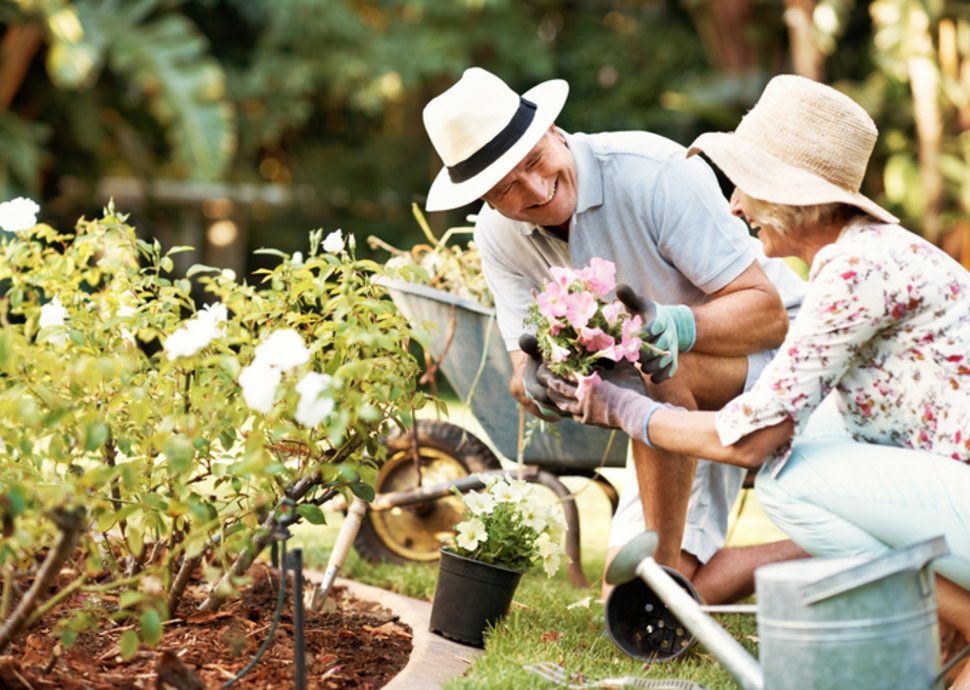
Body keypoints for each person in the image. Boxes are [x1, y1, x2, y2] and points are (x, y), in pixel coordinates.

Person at [542, 74, 970, 688]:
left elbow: (751, 439)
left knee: (785, 479)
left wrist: (620, 409)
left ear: (786, 193)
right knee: (814, 439)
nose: (735, 205)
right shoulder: (867, 255)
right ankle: (945, 631)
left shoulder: (854, 270)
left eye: (744, 185)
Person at [420, 66, 808, 603]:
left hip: (782, 364)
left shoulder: (654, 173)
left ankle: (661, 582)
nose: (533, 189)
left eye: (534, 161)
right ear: (485, 200)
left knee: (655, 364)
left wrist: (675, 324)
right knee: (616, 599)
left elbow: (770, 315)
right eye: (506, 188)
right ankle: (830, 554)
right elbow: (519, 369)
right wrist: (536, 382)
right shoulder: (499, 237)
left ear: (552, 131)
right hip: (666, 409)